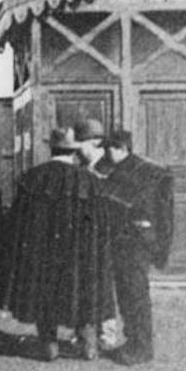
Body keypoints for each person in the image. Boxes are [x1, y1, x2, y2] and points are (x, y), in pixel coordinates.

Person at [0, 128, 116, 361]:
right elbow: (100, 224)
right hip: (80, 254)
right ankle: (89, 347)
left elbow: (18, 221)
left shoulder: (33, 177)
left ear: (52, 149)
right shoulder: (89, 179)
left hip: (42, 252)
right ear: (74, 151)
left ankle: (49, 346)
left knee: (44, 296)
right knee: (83, 292)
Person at [101, 130, 174, 365]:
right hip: (127, 242)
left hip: (135, 243)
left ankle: (141, 348)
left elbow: (158, 211)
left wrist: (158, 245)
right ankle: (133, 342)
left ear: (122, 148)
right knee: (127, 294)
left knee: (135, 295)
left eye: (109, 148)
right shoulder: (124, 169)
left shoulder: (142, 171)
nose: (106, 152)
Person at [74, 119, 118, 352]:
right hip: (86, 238)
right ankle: (84, 331)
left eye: (78, 144)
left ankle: (107, 333)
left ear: (91, 143)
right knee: (83, 283)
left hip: (106, 238)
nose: (75, 150)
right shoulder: (83, 169)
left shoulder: (108, 169)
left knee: (104, 285)